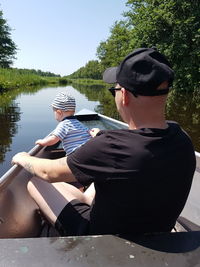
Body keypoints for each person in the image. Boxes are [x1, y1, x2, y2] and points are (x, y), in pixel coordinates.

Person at [12, 47, 196, 237]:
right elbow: (138, 146)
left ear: (123, 95)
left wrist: (24, 157)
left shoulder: (110, 146)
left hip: (101, 238)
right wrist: (101, 137)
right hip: (159, 233)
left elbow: (47, 172)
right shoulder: (181, 138)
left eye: (113, 90)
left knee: (36, 182)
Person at [35, 92, 91, 156]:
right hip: (89, 150)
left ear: (59, 112)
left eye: (54, 112)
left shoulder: (63, 124)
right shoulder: (79, 124)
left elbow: (54, 139)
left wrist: (42, 142)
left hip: (77, 155)